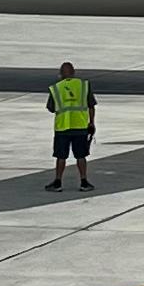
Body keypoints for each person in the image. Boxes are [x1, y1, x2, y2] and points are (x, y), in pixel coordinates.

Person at [45, 61, 94, 191]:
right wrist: (91, 122)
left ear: (60, 74)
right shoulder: (83, 85)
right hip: (80, 127)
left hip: (62, 128)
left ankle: (58, 182)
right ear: (73, 72)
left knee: (61, 156)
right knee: (81, 156)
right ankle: (84, 182)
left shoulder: (56, 88)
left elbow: (51, 108)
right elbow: (91, 105)